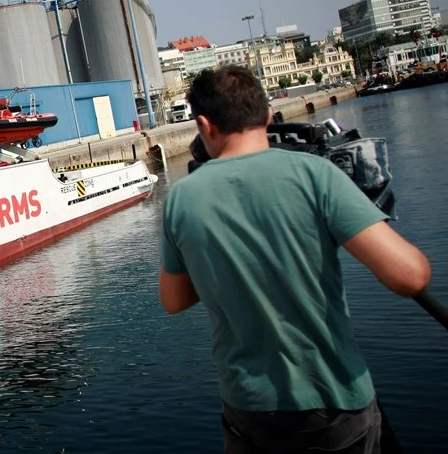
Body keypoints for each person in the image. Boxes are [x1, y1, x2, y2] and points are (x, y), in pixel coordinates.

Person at [158, 66, 431, 453]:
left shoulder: (182, 199)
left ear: (205, 124)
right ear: (269, 117)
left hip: (249, 411)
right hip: (334, 403)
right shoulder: (314, 174)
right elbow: (411, 277)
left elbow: (174, 300)